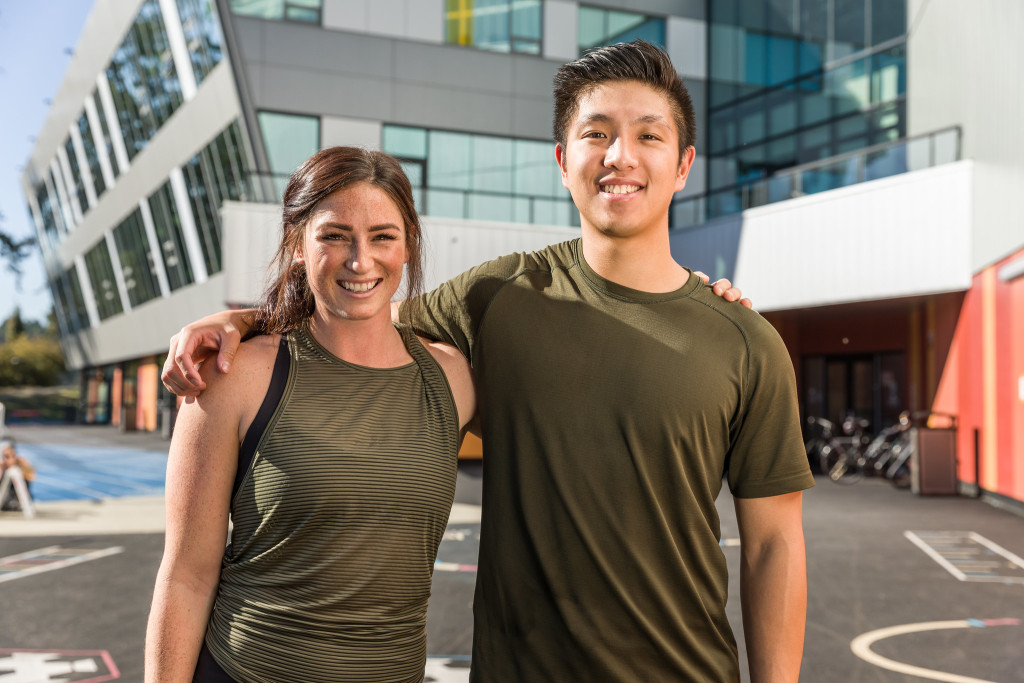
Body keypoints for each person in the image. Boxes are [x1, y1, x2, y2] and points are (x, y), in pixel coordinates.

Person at [162, 41, 813, 682]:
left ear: (683, 163)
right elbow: (354, 315)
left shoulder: (745, 341)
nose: (620, 156)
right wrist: (240, 320)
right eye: (597, 134)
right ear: (563, 160)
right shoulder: (498, 297)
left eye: (648, 135)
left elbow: (773, 546)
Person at [145, 147, 477, 682]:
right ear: (298, 245)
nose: (360, 260)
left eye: (383, 236)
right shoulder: (235, 374)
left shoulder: (453, 379)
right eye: (334, 235)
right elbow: (185, 575)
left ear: (410, 244)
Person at [0, 439, 35, 511]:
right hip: (5, 498)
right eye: (7, 456)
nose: (10, 459)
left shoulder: (21, 462)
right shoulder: (2, 465)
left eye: (12, 455)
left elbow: (31, 477)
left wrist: (19, 469)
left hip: (19, 497)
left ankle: (18, 502)